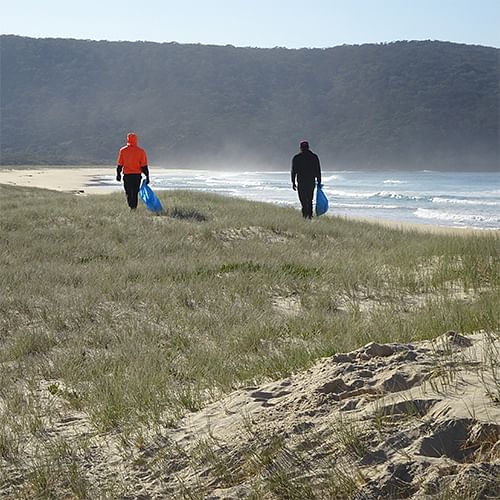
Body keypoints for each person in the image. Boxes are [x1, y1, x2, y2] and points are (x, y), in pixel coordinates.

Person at [116, 132, 150, 209]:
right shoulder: (141, 151)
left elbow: (120, 164)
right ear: (136, 140)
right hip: (137, 176)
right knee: (135, 193)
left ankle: (131, 206)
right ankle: (134, 208)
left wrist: (118, 174)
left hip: (127, 175)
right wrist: (147, 176)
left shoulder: (123, 150)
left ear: (128, 140)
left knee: (128, 192)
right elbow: (144, 166)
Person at [291, 140, 322, 218]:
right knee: (309, 199)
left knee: (303, 200)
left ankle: (305, 215)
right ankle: (309, 216)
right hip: (311, 182)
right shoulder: (314, 157)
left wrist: (293, 182)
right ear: (308, 147)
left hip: (301, 182)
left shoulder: (297, 157)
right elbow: (318, 170)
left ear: (300, 148)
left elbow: (293, 171)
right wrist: (319, 181)